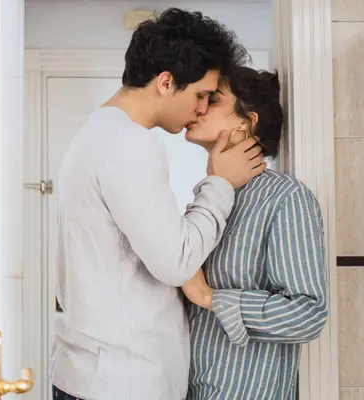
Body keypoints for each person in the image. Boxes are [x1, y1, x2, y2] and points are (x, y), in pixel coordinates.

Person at [50, 8, 266, 400]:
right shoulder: (127, 143)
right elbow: (176, 261)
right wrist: (219, 180)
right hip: (120, 383)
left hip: (99, 376)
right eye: (201, 95)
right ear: (166, 82)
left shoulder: (99, 132)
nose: (202, 109)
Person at [181, 66, 328, 400]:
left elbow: (307, 315)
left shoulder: (286, 198)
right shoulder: (208, 201)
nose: (199, 107)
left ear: (246, 122)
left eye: (212, 99)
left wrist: (211, 298)